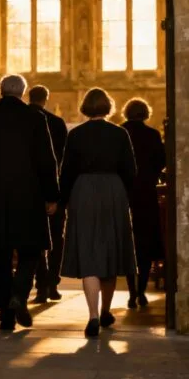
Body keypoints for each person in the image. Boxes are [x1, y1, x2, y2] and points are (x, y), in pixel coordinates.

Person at [0, 74, 60, 332]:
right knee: (31, 250)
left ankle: (5, 316)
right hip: (29, 196)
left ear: (1, 91)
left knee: (0, 257)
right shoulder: (35, 118)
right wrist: (52, 196)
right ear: (22, 92)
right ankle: (19, 293)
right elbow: (46, 160)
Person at [59, 88, 137, 338]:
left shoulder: (76, 135)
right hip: (113, 190)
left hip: (83, 191)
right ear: (108, 106)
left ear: (85, 107)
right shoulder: (120, 133)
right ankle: (105, 311)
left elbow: (67, 171)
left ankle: (92, 315)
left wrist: (61, 201)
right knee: (110, 251)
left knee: (88, 251)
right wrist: (126, 198)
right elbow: (130, 171)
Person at [120, 98, 166, 309]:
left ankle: (131, 292)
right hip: (146, 194)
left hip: (124, 194)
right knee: (145, 244)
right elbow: (162, 161)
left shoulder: (120, 132)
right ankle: (141, 291)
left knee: (128, 244)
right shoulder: (152, 135)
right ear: (146, 114)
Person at [29, 85, 69, 304]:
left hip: (29, 190)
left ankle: (41, 284)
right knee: (56, 238)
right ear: (46, 99)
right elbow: (63, 158)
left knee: (34, 238)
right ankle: (53, 283)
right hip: (55, 186)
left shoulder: (22, 120)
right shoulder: (57, 122)